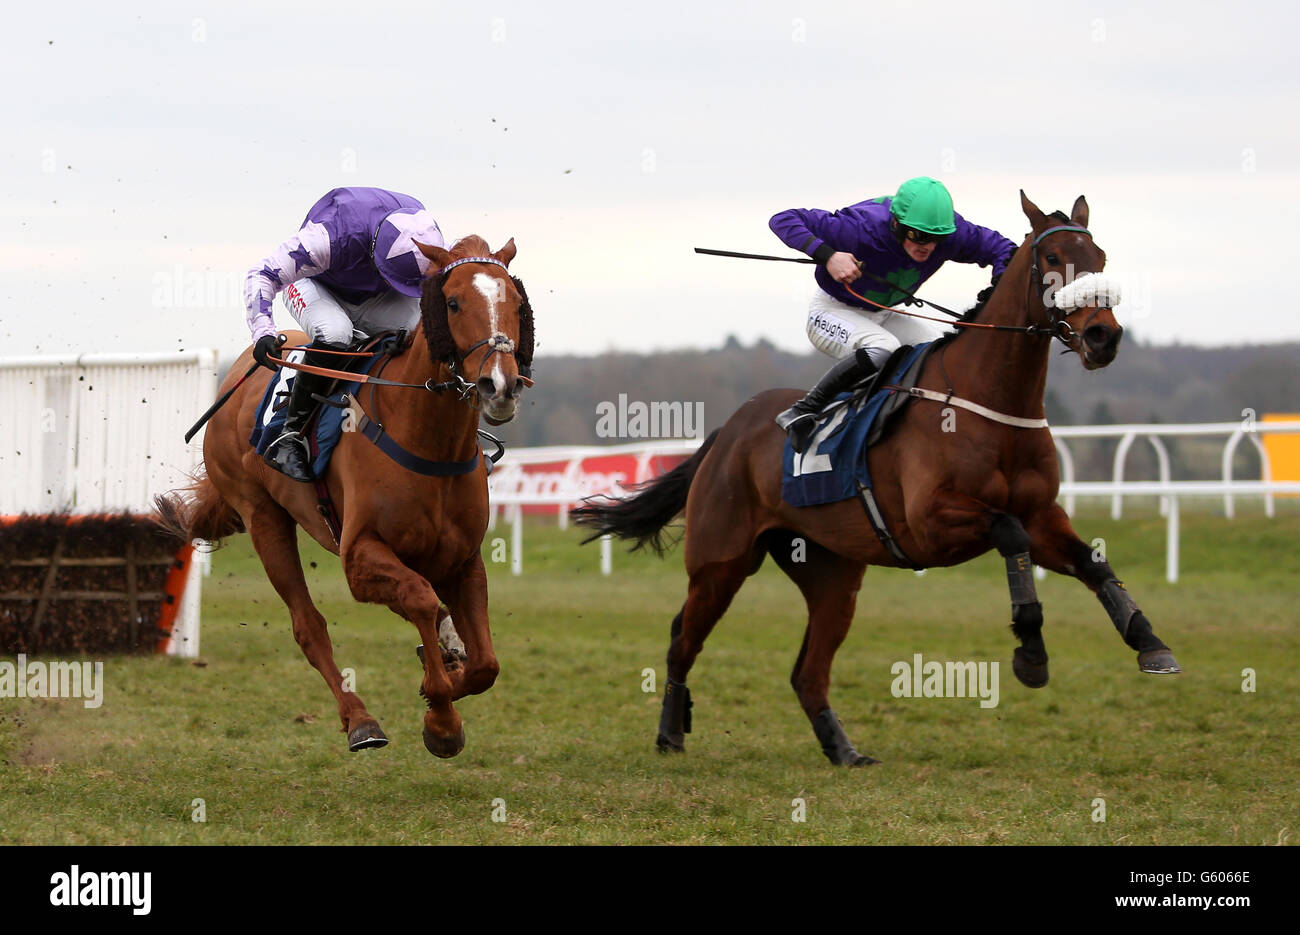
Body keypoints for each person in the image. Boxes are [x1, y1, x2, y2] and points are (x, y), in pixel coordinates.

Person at [769, 177, 1017, 452]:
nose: (928, 246)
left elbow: (1004, 249)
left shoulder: (952, 233)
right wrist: (828, 255)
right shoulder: (859, 227)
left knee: (942, 357)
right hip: (832, 310)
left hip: (884, 314)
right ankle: (802, 411)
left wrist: (999, 284)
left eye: (937, 238)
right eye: (918, 236)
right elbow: (783, 219)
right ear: (896, 224)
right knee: (884, 348)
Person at [243, 186, 447, 481]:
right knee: (337, 332)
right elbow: (261, 273)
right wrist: (262, 331)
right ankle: (290, 435)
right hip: (313, 282)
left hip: (372, 287)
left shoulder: (426, 231)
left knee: (423, 331)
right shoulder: (326, 239)